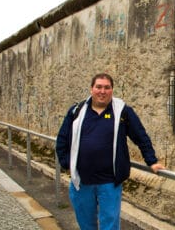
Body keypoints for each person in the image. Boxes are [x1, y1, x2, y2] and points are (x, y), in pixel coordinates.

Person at [55, 73, 165, 230]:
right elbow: (62, 139)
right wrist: (66, 162)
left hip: (109, 182)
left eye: (107, 87)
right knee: (86, 225)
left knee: (110, 225)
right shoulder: (76, 111)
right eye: (98, 87)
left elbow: (141, 136)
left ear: (112, 90)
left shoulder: (123, 112)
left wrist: (152, 161)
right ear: (91, 89)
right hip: (81, 181)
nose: (102, 91)